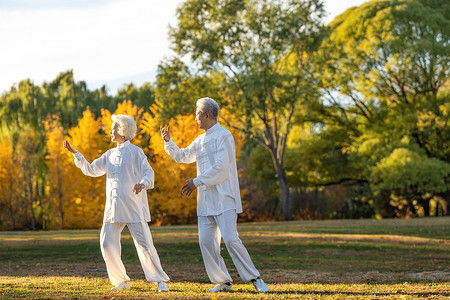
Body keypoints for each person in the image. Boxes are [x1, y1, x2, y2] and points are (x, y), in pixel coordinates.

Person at [160, 97, 269, 293]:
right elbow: (183, 156)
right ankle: (223, 281)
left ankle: (255, 278)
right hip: (205, 201)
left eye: (197, 114)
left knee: (230, 238)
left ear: (207, 115)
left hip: (224, 197)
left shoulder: (225, 135)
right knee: (205, 241)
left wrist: (196, 181)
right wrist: (169, 142)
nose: (195, 118)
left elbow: (222, 168)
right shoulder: (200, 140)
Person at [63, 114, 170, 292]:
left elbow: (149, 173)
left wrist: (142, 184)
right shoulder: (109, 154)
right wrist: (76, 154)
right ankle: (121, 281)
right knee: (106, 243)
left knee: (145, 246)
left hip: (133, 207)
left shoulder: (136, 152)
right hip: (112, 208)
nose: (110, 131)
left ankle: (160, 281)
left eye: (113, 128)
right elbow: (91, 169)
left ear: (123, 130)